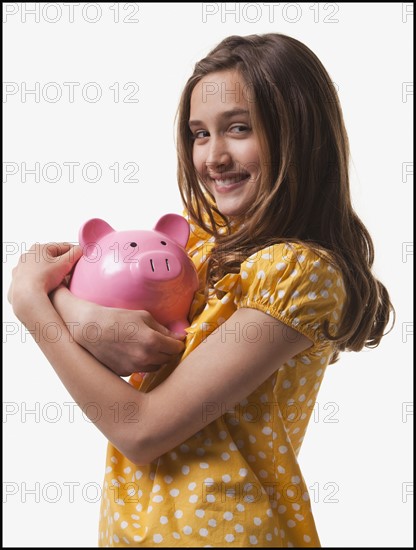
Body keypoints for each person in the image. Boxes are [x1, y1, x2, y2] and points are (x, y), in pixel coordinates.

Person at [8, 33, 395, 547]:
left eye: (239, 129)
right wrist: (77, 312)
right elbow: (112, 334)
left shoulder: (300, 273)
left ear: (300, 136)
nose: (213, 156)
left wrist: (32, 302)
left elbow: (141, 430)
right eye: (199, 134)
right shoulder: (199, 246)